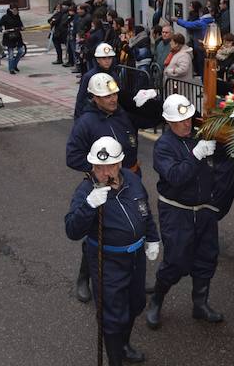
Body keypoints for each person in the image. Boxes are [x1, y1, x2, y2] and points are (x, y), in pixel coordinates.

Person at [65, 137, 160, 366]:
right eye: (98, 167)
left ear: (120, 164)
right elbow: (72, 229)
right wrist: (89, 205)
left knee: (135, 303)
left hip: (136, 258)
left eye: (109, 166)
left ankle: (124, 345)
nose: (104, 172)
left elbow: (144, 211)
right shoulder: (86, 190)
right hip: (107, 261)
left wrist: (153, 238)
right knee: (112, 316)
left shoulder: (133, 182)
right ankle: (115, 359)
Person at [67, 73, 156, 303]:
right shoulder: (86, 122)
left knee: (135, 219)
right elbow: (72, 156)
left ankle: (135, 274)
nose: (113, 98)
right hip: (105, 182)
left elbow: (148, 122)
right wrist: (101, 169)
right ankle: (85, 276)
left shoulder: (122, 113)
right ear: (95, 97)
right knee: (99, 231)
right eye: (107, 95)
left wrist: (151, 102)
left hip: (131, 177)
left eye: (115, 93)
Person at [146, 95, 226, 329]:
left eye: (188, 118)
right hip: (176, 210)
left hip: (203, 209)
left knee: (207, 257)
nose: (186, 124)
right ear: (169, 122)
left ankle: (200, 305)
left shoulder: (199, 136)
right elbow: (176, 177)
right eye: (180, 121)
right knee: (176, 260)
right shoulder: (163, 146)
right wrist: (195, 155)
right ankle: (156, 301)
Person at [0, 5, 26, 74]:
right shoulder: (5, 17)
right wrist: (2, 30)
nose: (16, 12)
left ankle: (14, 65)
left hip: (17, 37)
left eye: (17, 10)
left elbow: (20, 25)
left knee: (20, 51)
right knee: (10, 54)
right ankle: (11, 69)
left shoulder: (17, 17)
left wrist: (22, 27)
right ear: (10, 10)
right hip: (9, 37)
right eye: (14, 10)